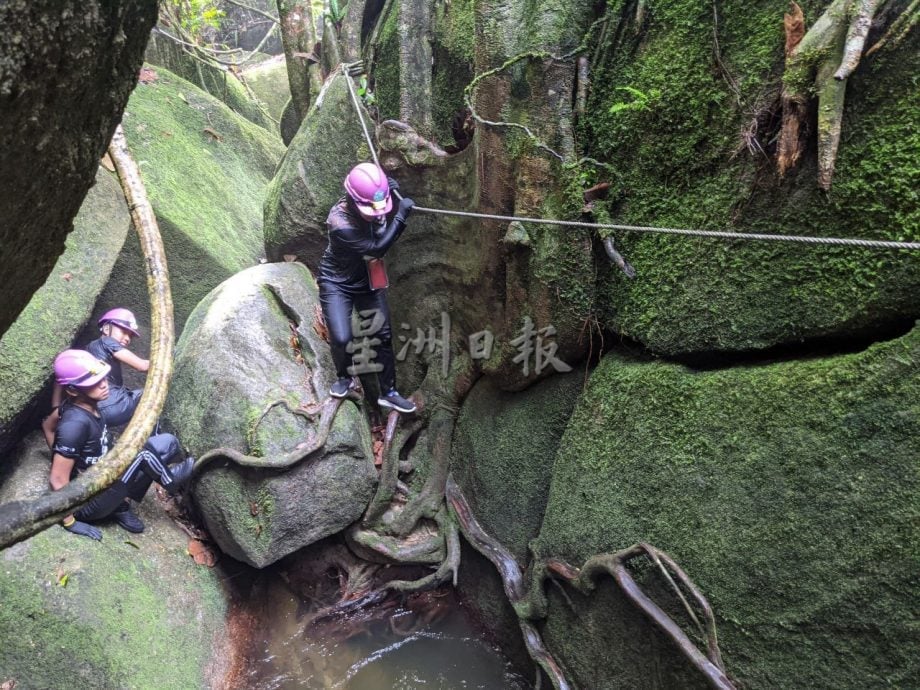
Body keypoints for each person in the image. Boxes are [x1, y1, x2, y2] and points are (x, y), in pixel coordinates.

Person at [49, 349, 194, 539]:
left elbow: (47, 425)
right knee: (140, 453)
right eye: (94, 382)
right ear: (73, 389)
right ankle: (170, 482)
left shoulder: (87, 406)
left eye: (103, 378)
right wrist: (70, 522)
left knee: (166, 443)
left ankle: (121, 505)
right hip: (89, 503)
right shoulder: (74, 425)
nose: (104, 385)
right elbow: (57, 479)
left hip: (104, 478)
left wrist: (58, 449)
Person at [317, 162, 417, 413]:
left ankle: (389, 392)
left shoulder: (373, 204)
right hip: (337, 282)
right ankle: (345, 378)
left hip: (368, 281)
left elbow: (379, 220)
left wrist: (389, 192)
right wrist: (401, 216)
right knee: (342, 337)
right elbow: (376, 248)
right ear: (353, 199)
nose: (377, 213)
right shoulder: (339, 223)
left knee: (382, 336)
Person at [42, 308, 148, 447]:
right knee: (149, 395)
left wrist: (56, 407)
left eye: (130, 336)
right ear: (106, 328)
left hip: (90, 408)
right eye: (123, 331)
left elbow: (60, 379)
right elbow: (143, 366)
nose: (127, 338)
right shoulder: (107, 342)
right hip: (114, 404)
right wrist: (170, 356)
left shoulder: (86, 352)